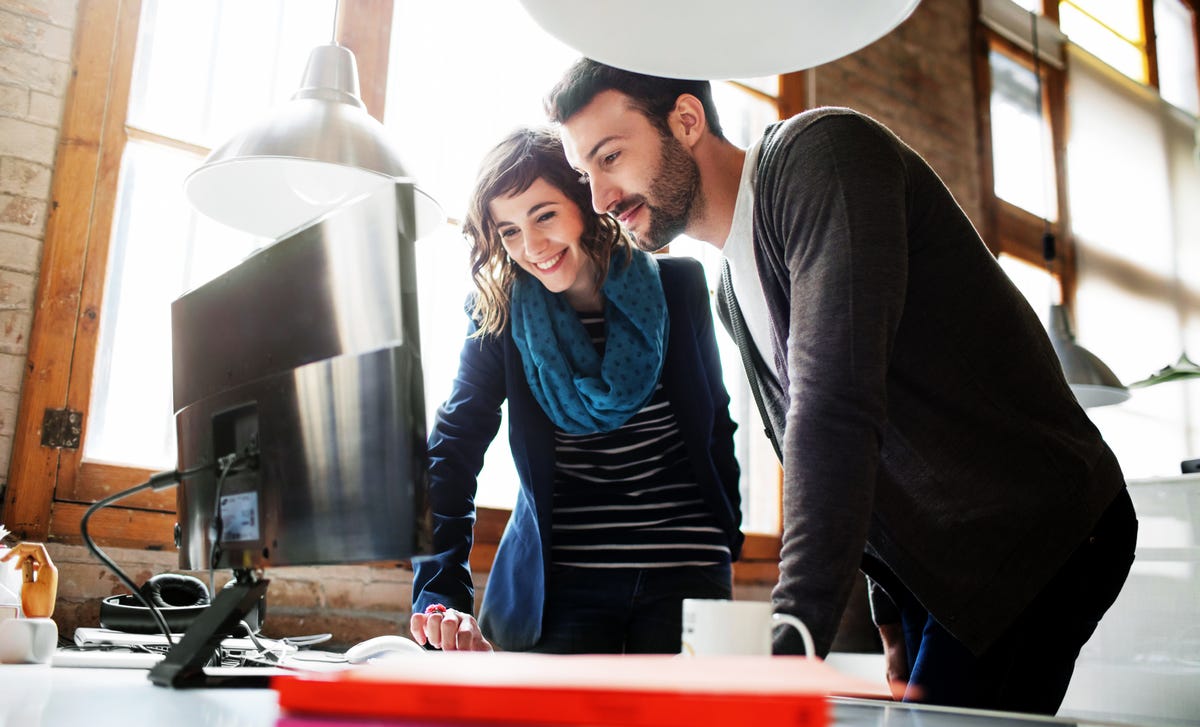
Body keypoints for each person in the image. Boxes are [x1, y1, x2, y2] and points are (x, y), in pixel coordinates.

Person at [546, 59, 1137, 714]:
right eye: (585, 174)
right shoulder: (731, 294)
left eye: (609, 157)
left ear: (686, 120)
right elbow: (865, 451)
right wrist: (891, 605)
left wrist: (795, 635)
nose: (599, 198)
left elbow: (837, 406)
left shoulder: (823, 155)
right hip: (939, 570)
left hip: (1034, 527)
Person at [408, 125, 743, 654]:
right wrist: (440, 593)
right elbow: (450, 452)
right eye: (510, 231)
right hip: (559, 587)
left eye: (544, 215)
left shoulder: (679, 288)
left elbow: (715, 421)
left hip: (686, 572)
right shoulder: (498, 316)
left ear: (584, 201)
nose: (532, 246)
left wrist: (731, 532)